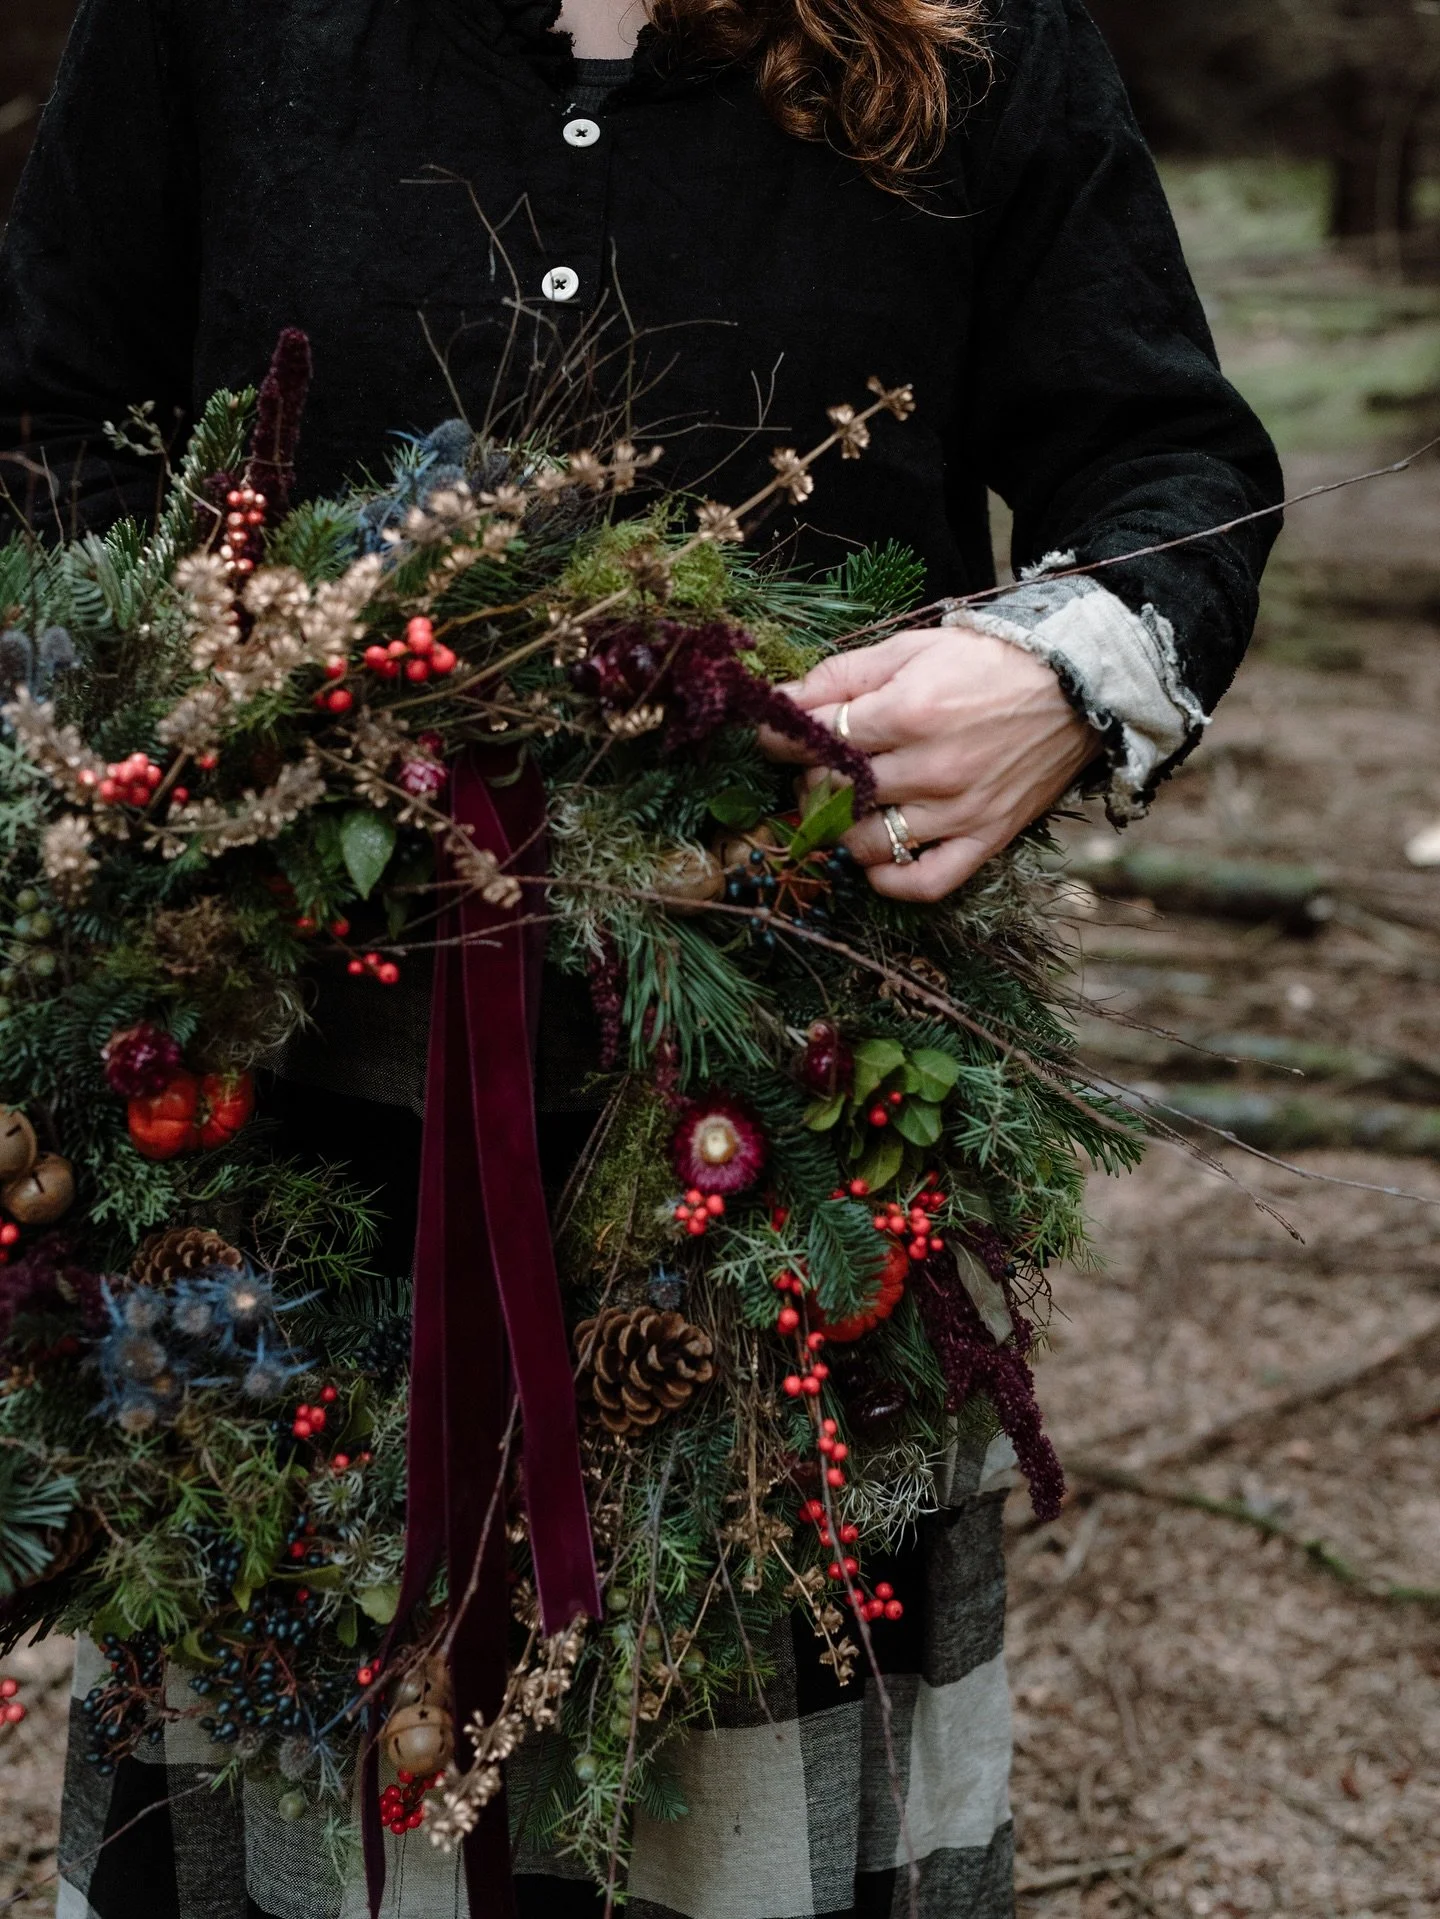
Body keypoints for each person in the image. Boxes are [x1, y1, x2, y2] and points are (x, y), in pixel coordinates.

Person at [0, 0, 1282, 1913]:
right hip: (260, 1191)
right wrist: (172, 734)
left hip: (791, 1189)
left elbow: (1174, 460)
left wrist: (1054, 670)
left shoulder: (988, 41)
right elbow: (45, 439)